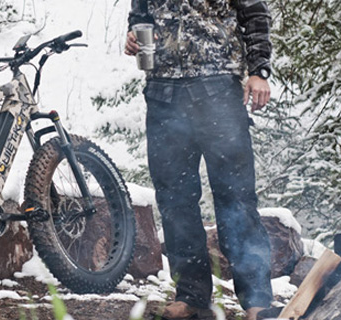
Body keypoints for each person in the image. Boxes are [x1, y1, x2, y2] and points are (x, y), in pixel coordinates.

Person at [124, 1, 274, 319]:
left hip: (218, 89)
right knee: (175, 200)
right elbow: (140, 15)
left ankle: (257, 300)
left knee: (236, 197)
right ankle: (191, 296)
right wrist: (132, 36)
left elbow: (255, 14)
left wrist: (259, 71)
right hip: (163, 93)